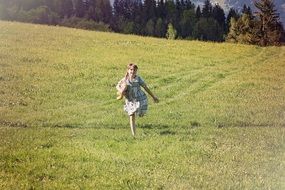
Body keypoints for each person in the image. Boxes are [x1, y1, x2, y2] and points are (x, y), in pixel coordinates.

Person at [116, 63, 159, 136]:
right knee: (132, 115)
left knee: (138, 111)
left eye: (134, 70)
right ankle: (134, 135)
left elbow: (145, 87)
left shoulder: (138, 79)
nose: (133, 71)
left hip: (139, 98)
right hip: (130, 100)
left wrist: (153, 96)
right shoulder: (125, 79)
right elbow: (117, 86)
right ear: (128, 70)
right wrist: (121, 91)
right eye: (131, 70)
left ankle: (140, 112)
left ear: (136, 71)